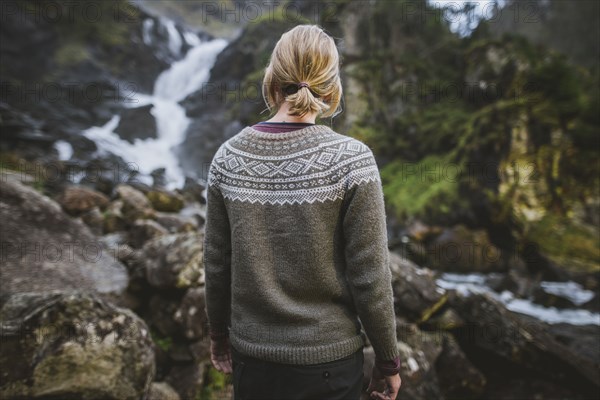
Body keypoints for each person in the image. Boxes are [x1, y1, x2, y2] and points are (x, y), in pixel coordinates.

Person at [203, 24, 402, 400]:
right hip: (330, 366)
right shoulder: (353, 160)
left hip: (253, 361)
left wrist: (218, 336)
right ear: (331, 85)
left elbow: (216, 262)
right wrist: (388, 362)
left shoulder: (228, 158)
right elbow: (370, 273)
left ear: (273, 80)